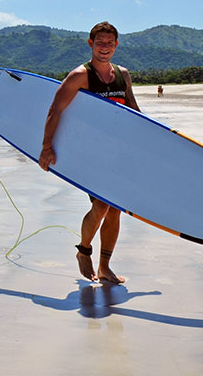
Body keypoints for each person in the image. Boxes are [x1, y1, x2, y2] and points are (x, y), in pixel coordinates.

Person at [39, 21, 140, 285]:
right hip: (91, 154)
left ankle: (105, 267)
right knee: (102, 204)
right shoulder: (79, 76)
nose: (104, 48)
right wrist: (47, 148)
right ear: (90, 44)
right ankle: (84, 249)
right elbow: (55, 110)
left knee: (116, 209)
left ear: (116, 45)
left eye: (109, 43)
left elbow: (134, 112)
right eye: (99, 43)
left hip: (119, 153)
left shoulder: (123, 75)